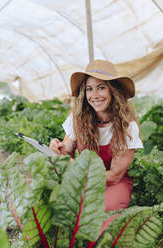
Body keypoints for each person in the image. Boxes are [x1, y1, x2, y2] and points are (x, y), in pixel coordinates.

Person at [49, 59, 143, 212]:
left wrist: (76, 167)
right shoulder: (77, 118)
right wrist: (57, 148)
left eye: (101, 88)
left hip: (112, 183)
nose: (95, 95)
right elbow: (65, 151)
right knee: (61, 201)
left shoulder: (127, 126)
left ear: (113, 91)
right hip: (83, 177)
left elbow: (114, 176)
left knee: (106, 207)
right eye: (89, 89)